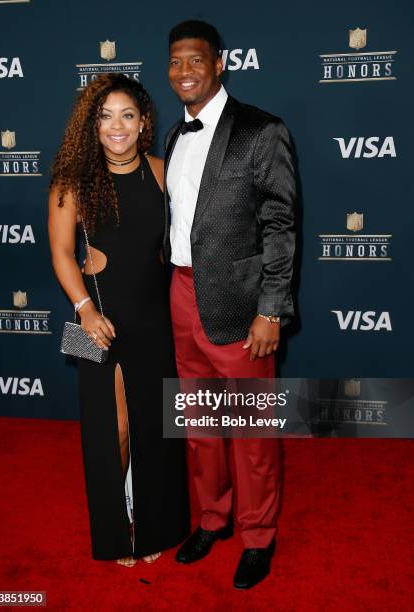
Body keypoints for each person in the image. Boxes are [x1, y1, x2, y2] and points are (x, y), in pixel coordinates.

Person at [165, 20, 296, 589]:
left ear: (220, 63)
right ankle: (212, 519)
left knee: (249, 432)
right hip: (181, 295)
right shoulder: (173, 135)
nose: (184, 72)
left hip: (242, 307)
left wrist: (271, 309)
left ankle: (258, 535)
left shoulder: (261, 131)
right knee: (199, 426)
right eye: (174, 62)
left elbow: (281, 223)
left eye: (195, 60)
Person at [48, 73, 189, 567]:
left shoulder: (160, 171)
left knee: (155, 425)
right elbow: (63, 255)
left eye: (127, 114)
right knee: (113, 431)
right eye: (105, 116)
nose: (117, 126)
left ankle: (156, 526)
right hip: (95, 318)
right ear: (92, 125)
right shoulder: (72, 180)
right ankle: (113, 535)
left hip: (155, 315)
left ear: (143, 121)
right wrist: (84, 310)